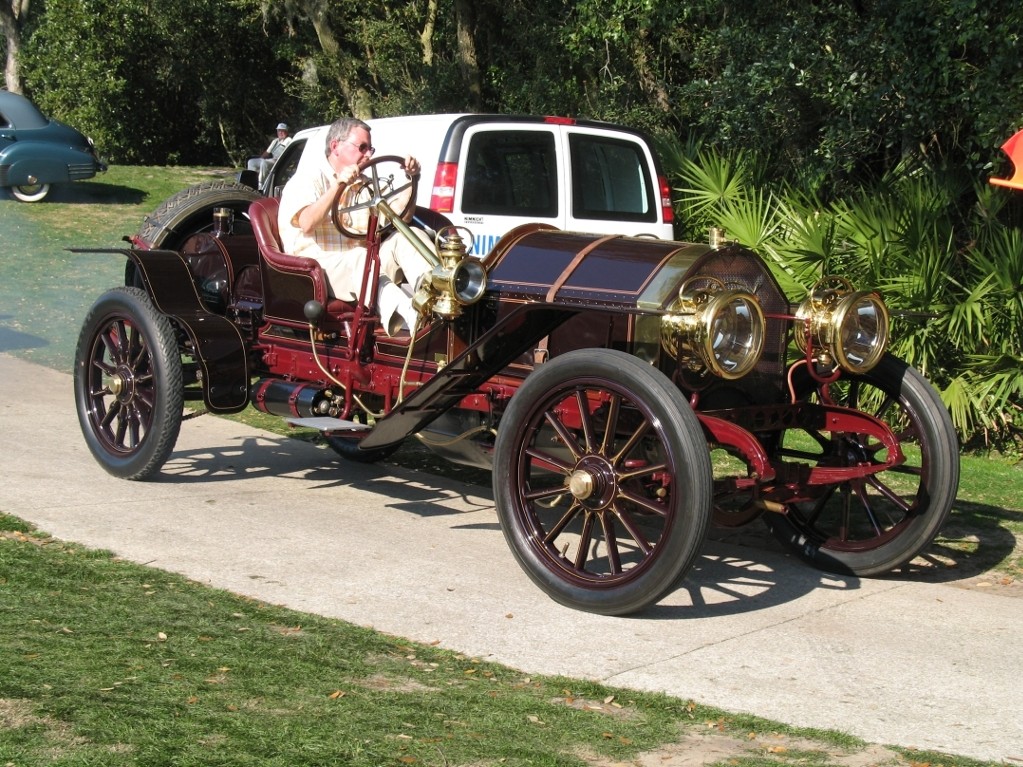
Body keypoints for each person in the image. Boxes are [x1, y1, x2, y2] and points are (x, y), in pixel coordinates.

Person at [277, 116, 435, 336]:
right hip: (317, 271)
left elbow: (402, 219)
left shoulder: (364, 184)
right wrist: (339, 185)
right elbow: (307, 223)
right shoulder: (307, 179)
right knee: (361, 258)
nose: (368, 154)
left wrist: (412, 179)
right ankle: (409, 314)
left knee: (408, 236)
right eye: (362, 147)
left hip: (363, 269)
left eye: (370, 148)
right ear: (335, 147)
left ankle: (437, 297)